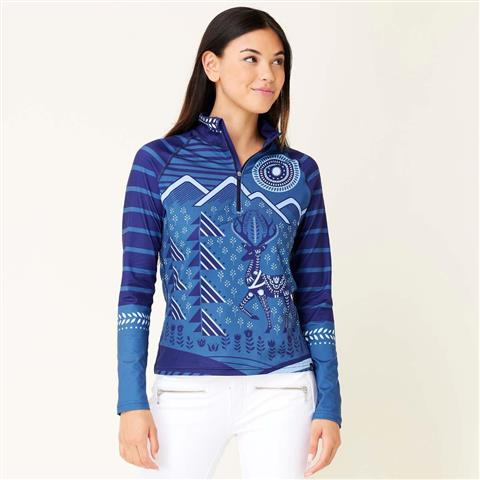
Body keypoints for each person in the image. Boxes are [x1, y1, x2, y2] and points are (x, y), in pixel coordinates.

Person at [117, 6, 342, 479]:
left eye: (278, 62)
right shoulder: (157, 162)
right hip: (186, 388)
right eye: (251, 59)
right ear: (212, 65)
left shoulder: (300, 171)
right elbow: (135, 288)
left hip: (284, 388)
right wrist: (131, 401)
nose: (268, 75)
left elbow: (316, 294)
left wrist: (330, 403)